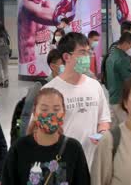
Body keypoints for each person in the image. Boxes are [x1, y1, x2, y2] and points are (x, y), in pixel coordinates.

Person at [42, 32, 111, 167]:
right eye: (82, 52)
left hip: (92, 162)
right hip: (62, 163)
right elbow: (39, 130)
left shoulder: (95, 86)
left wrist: (102, 132)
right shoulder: (49, 91)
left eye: (88, 52)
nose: (87, 57)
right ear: (67, 56)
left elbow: (104, 119)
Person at [3, 88, 90, 184]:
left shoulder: (73, 148)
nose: (50, 114)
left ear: (64, 113)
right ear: (35, 113)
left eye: (56, 109)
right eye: (44, 109)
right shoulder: (19, 149)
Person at [18, 0, 85, 77]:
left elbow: (63, 20)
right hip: (27, 66)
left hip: (44, 63)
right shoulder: (26, 6)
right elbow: (61, 16)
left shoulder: (46, 5)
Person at [105, 32, 131, 127]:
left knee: (114, 130)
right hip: (120, 98)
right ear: (126, 43)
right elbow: (128, 79)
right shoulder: (122, 59)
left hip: (112, 97)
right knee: (126, 128)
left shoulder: (111, 56)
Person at [0, 22, 11, 88]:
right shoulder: (6, 35)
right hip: (5, 53)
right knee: (5, 68)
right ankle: (6, 80)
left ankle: (0, 82)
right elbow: (9, 43)